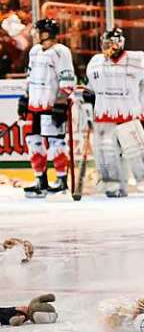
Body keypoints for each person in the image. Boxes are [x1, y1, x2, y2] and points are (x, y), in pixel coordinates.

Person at [84, 27, 144, 197]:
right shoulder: (95, 61)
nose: (107, 47)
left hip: (129, 117)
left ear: (120, 43)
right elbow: (91, 87)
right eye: (105, 43)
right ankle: (112, 187)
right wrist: (88, 99)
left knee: (139, 154)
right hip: (104, 117)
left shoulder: (137, 59)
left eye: (111, 43)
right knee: (106, 155)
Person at [18, 18, 74, 198]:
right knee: (33, 141)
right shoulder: (34, 51)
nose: (35, 34)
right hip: (35, 106)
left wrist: (60, 103)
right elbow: (30, 77)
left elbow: (67, 80)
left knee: (56, 143)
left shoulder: (61, 52)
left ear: (46, 33)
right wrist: (25, 99)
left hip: (51, 106)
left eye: (38, 31)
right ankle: (40, 181)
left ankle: (61, 181)